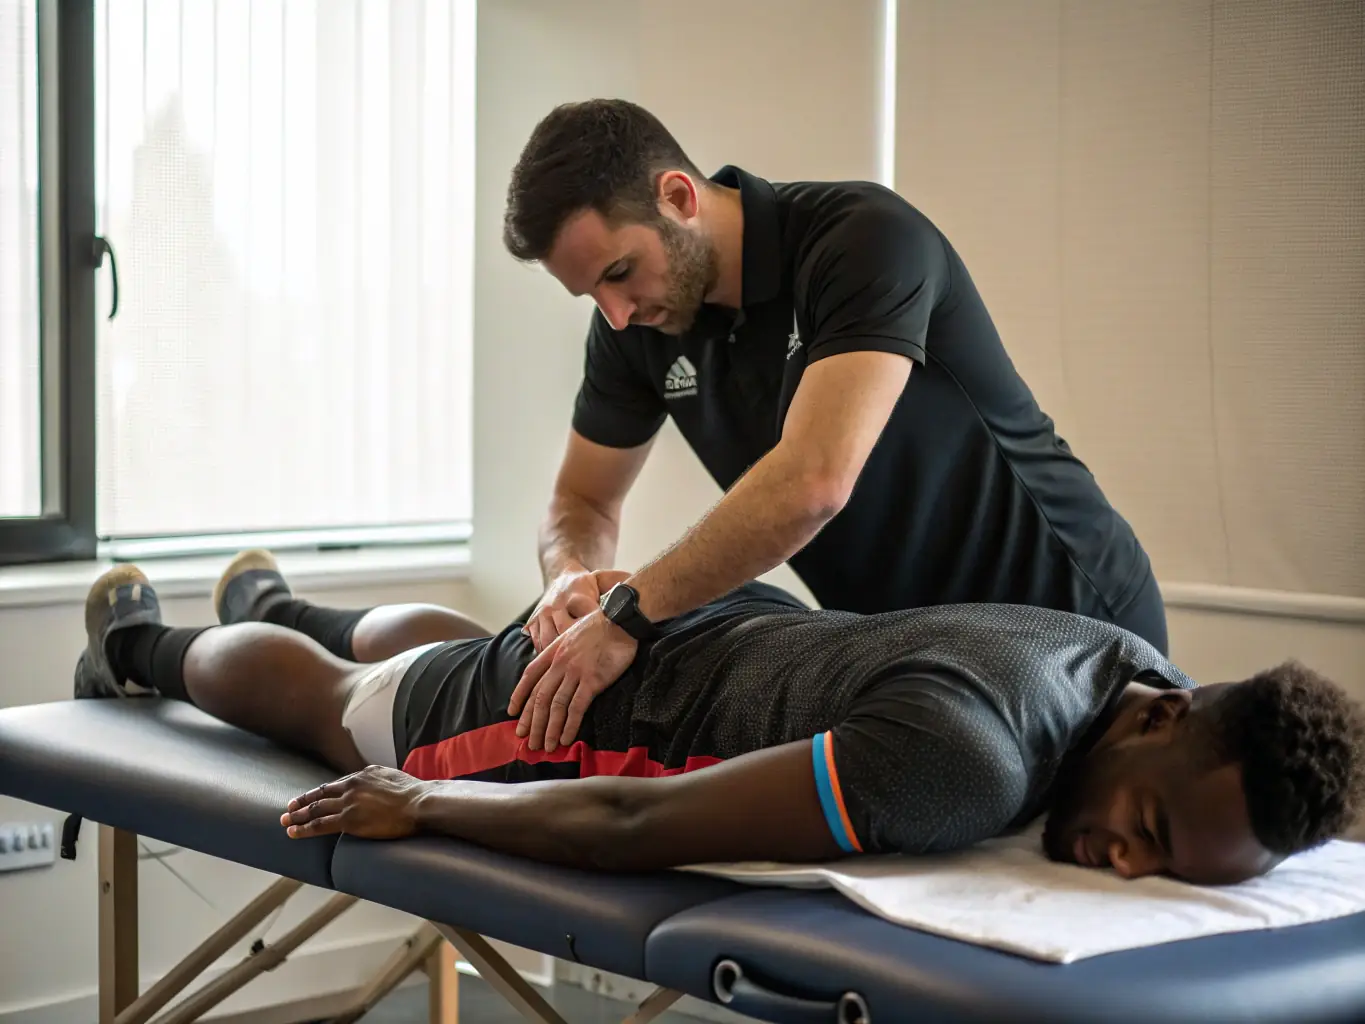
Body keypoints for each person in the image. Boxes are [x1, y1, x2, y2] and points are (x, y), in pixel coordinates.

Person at [499, 98, 1170, 753]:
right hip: (926, 655)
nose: (615, 314)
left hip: (1070, 618)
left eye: (620, 272)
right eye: (591, 295)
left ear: (677, 196)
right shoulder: (633, 328)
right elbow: (582, 499)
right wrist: (569, 580)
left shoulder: (861, 239)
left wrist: (628, 612)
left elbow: (812, 483)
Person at [72, 549, 1365, 885]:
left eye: (1166, 868)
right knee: (358, 711)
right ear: (1159, 723)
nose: (1124, 861)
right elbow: (636, 822)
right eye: (1145, 830)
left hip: (745, 629)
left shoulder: (1125, 659)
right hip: (629, 705)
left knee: (463, 657)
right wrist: (430, 800)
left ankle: (283, 599)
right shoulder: (968, 760)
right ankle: (136, 651)